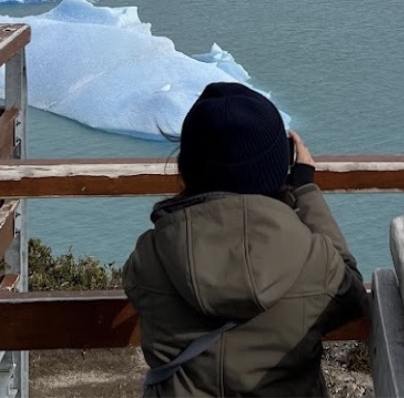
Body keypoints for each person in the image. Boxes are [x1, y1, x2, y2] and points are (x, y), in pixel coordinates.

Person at [124, 82, 369, 397]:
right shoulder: (314, 263)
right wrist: (306, 189)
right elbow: (350, 291)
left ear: (187, 167)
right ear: (281, 166)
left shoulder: (150, 257)